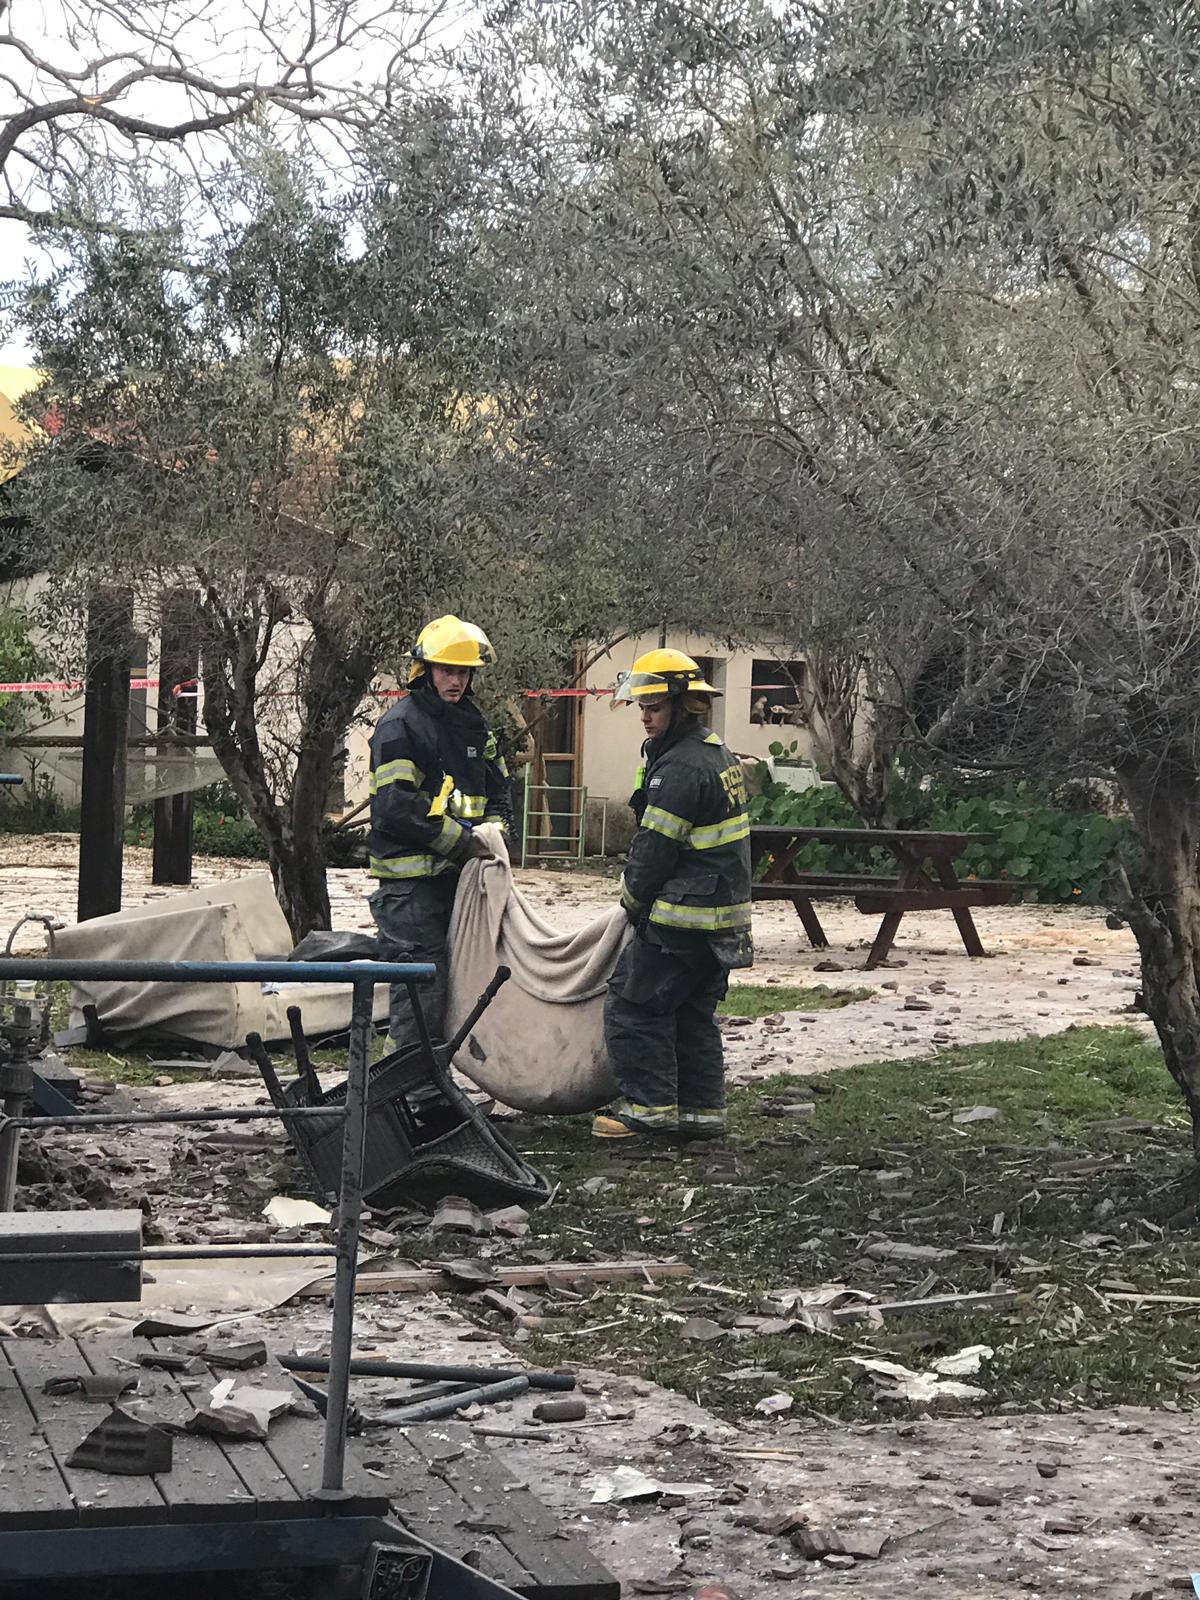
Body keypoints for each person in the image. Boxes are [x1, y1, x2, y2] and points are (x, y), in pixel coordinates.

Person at [594, 648, 753, 1142]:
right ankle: (703, 1116)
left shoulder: (679, 768)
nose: (645, 716)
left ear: (683, 707)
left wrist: (631, 903)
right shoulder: (714, 752)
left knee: (633, 1004)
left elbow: (654, 850)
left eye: (655, 707)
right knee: (691, 1014)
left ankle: (649, 1109)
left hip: (683, 918)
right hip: (721, 920)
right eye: (642, 706)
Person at [367, 614, 512, 1049]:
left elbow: (498, 786)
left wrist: (499, 835)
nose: (457, 680)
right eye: (448, 670)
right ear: (425, 670)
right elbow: (395, 805)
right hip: (411, 887)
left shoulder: (473, 724)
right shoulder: (402, 726)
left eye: (465, 672)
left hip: (459, 879)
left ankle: (430, 1087)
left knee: (456, 987)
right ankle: (405, 1095)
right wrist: (463, 843)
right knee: (419, 991)